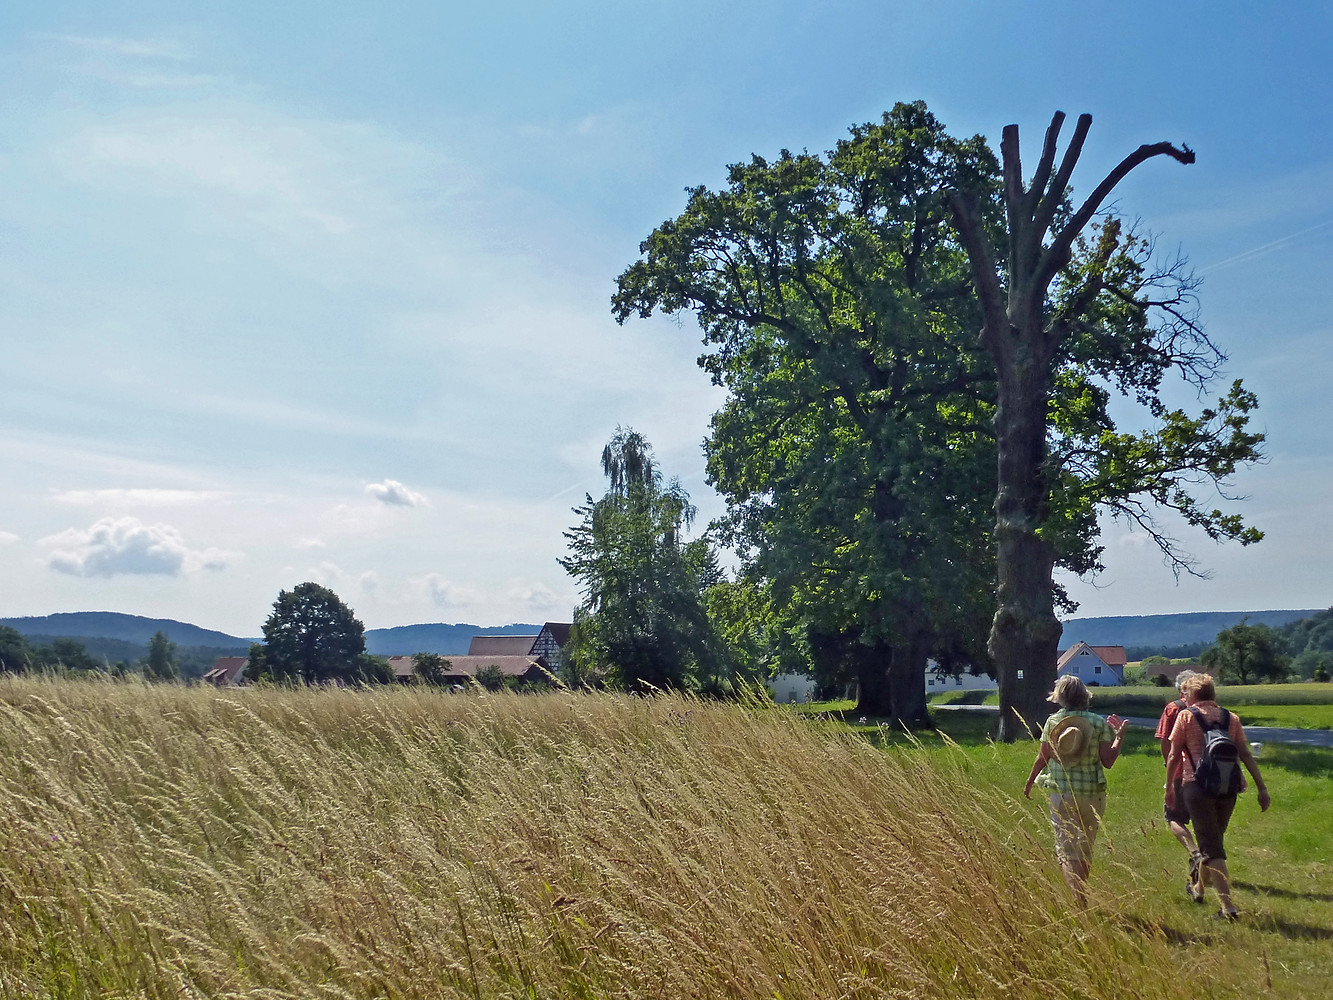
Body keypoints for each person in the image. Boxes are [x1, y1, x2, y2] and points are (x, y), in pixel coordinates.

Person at [1167, 672, 1270, 920]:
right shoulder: (1230, 718)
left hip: (1197, 787)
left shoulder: (1186, 716)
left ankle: (1228, 909)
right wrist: (1262, 788)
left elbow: (1173, 754)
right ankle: (1198, 889)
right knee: (1211, 841)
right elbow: (1245, 754)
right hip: (1228, 788)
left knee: (1211, 846)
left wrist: (1170, 786)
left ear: (1192, 694)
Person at [1024, 675, 1129, 904]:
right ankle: (1081, 895)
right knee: (1085, 848)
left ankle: (1077, 898)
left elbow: (1043, 757)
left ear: (1060, 697)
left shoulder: (1053, 722)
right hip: (1092, 794)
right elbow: (1108, 761)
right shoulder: (1098, 723)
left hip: (1061, 793)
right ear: (1084, 695)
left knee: (1066, 849)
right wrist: (1119, 737)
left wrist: (1030, 782)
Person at [1154, 669, 1202, 882]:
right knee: (1203, 819)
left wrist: (1169, 766)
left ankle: (1195, 853)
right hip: (1208, 772)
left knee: (1174, 817)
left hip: (1181, 770)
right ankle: (1210, 862)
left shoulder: (1173, 708)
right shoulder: (1210, 709)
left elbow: (1165, 742)